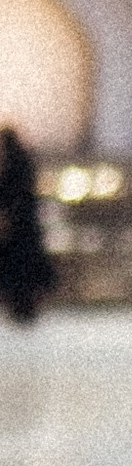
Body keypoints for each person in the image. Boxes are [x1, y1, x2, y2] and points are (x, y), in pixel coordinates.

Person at [0, 125, 53, 328]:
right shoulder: (21, 165)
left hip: (18, 230)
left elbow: (16, 196)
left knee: (18, 271)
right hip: (21, 229)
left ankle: (21, 311)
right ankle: (22, 311)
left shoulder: (15, 167)